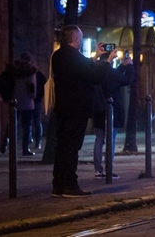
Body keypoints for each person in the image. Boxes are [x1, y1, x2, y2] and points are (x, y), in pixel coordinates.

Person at [51, 25, 113, 198]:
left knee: (62, 146)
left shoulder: (58, 55)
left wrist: (96, 57)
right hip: (76, 108)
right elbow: (94, 77)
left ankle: (58, 185)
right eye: (80, 37)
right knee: (72, 147)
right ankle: (70, 184)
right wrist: (107, 63)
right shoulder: (74, 58)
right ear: (76, 39)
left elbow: (81, 70)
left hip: (62, 107)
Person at [93, 54, 133, 179]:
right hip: (112, 110)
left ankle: (98, 170)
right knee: (111, 139)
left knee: (99, 139)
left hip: (98, 109)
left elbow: (112, 75)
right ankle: (108, 169)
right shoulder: (109, 71)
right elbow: (126, 80)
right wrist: (130, 66)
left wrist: (121, 66)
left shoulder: (95, 70)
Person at [0, 56, 38, 155]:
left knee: (11, 125)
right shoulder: (30, 73)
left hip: (14, 101)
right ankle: (25, 149)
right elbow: (32, 89)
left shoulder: (14, 72)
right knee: (27, 127)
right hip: (27, 103)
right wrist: (33, 96)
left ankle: (5, 143)